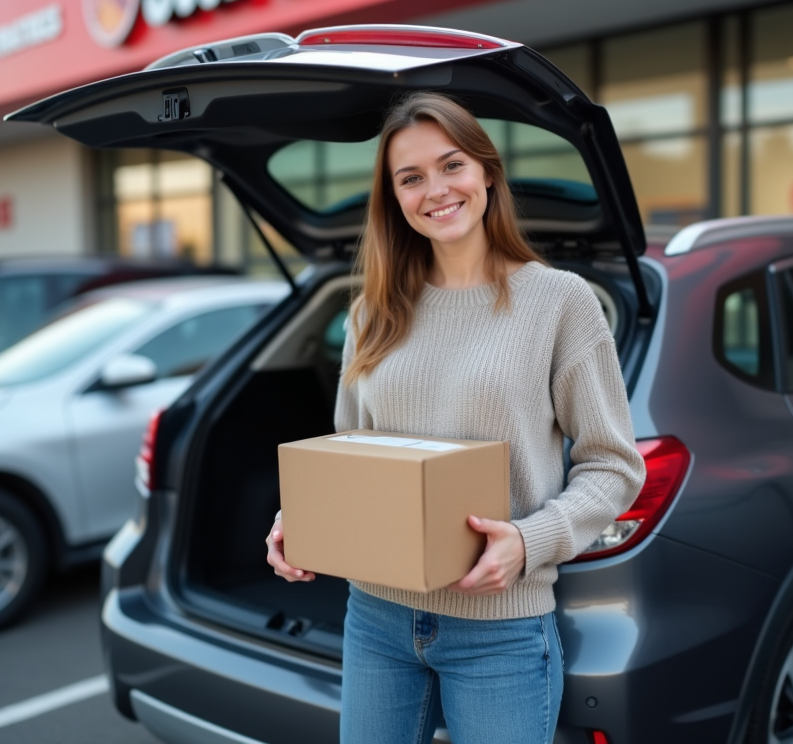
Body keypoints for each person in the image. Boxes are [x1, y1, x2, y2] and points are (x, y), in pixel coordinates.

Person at [266, 91, 646, 744]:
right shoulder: (370, 314)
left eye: (452, 166)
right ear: (393, 198)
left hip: (500, 629)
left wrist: (530, 541)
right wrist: (302, 521)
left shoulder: (559, 302)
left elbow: (614, 466)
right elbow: (351, 459)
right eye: (410, 178)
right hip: (376, 617)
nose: (435, 190)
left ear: (488, 174)